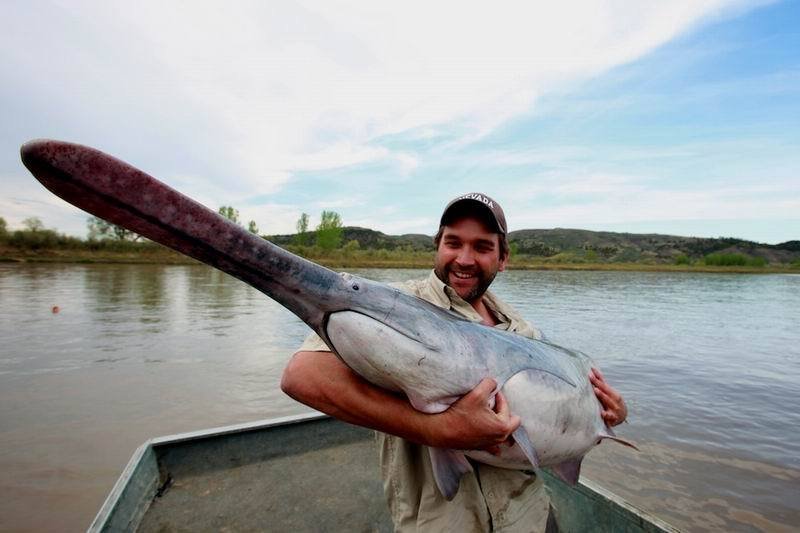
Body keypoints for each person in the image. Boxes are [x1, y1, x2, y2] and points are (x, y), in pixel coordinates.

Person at [281, 193, 627, 532]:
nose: (464, 258)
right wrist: (438, 430)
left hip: (528, 516)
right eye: (453, 242)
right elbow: (303, 376)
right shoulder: (388, 306)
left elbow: (566, 420)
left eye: (482, 247)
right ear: (438, 246)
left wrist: (610, 416)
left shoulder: (523, 329)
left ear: (503, 258)